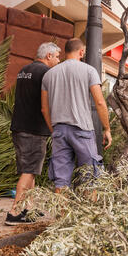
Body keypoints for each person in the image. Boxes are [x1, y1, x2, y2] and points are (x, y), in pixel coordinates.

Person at [41, 38, 112, 193]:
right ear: (81, 52)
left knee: (61, 179)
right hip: (82, 130)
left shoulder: (49, 75)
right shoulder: (89, 70)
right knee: (90, 175)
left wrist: (53, 130)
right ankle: (87, 216)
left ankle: (61, 216)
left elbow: (44, 109)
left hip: (59, 130)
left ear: (65, 52)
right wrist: (107, 128)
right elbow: (100, 102)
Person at [5, 42, 61, 226]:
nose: (58, 60)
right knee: (28, 171)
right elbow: (49, 101)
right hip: (34, 129)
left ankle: (28, 209)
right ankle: (14, 212)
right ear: (49, 56)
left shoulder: (24, 70)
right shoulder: (46, 73)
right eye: (57, 56)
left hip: (19, 127)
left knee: (29, 170)